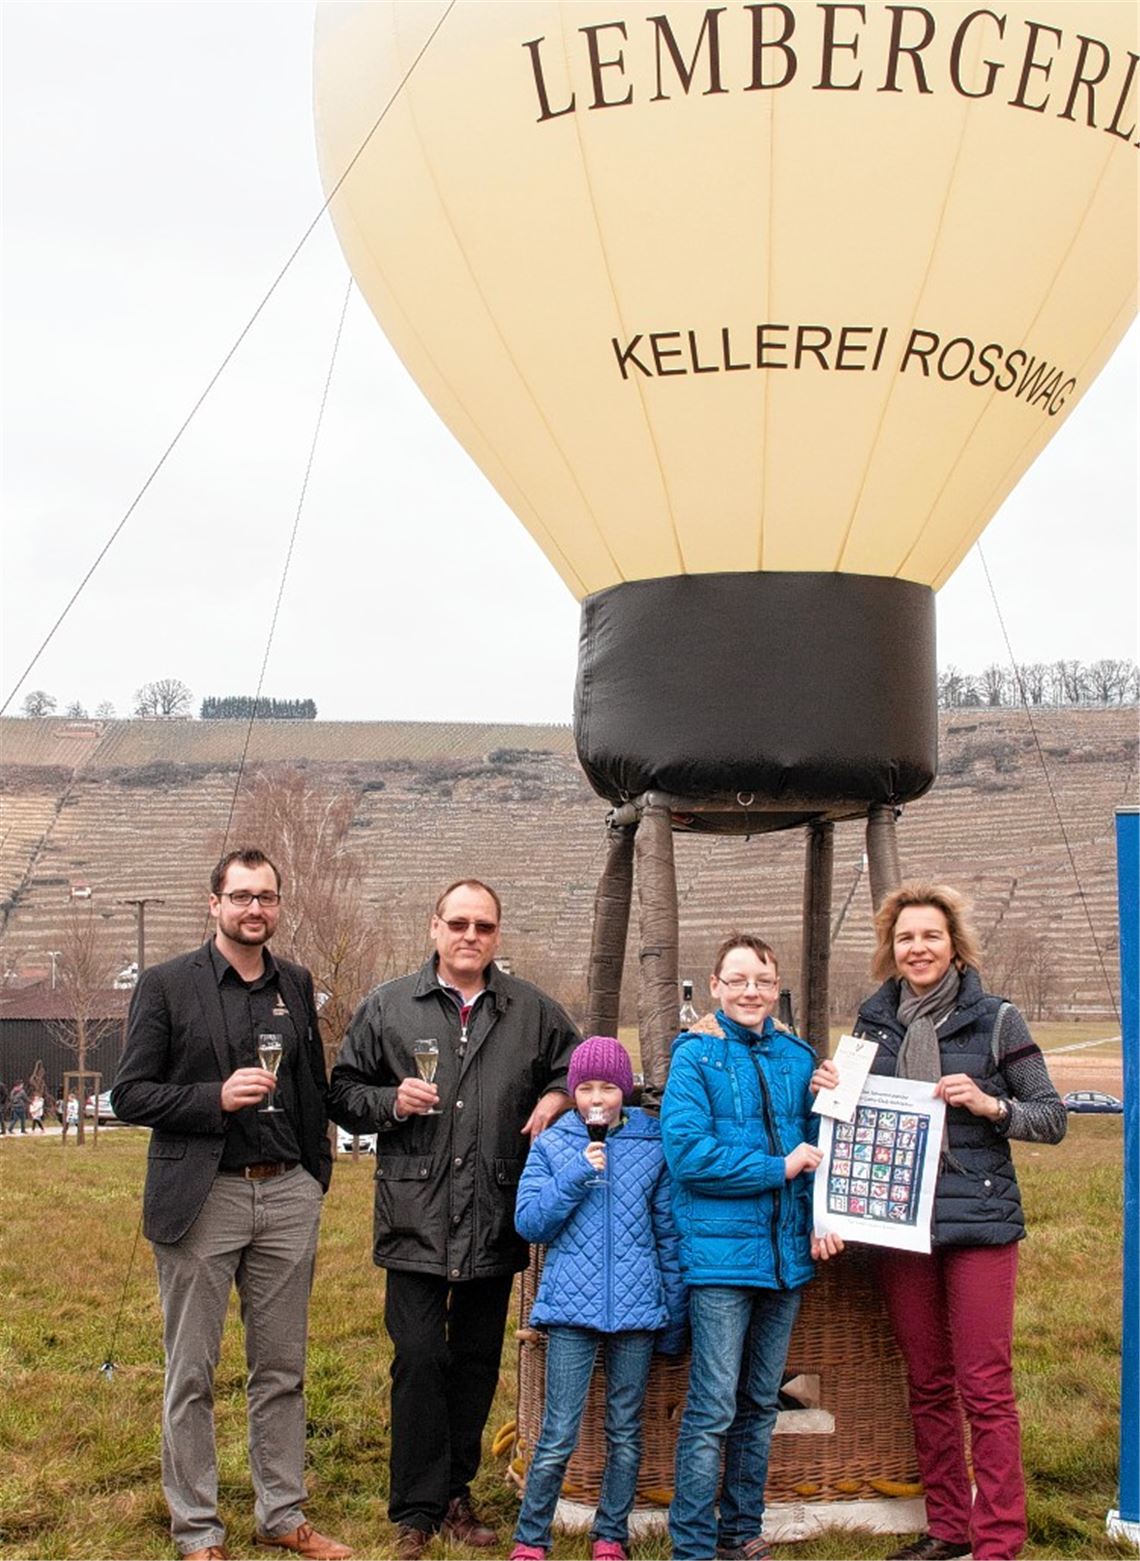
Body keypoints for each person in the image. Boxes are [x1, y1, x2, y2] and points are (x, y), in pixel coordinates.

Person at [813, 881, 1067, 1561]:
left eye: (930, 935)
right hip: (901, 1228)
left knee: (985, 1387)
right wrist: (829, 1093)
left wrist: (991, 1106)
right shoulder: (873, 1026)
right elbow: (847, 1127)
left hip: (979, 1224)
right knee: (928, 1384)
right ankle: (950, 1527)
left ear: (955, 944)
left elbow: (1052, 1117)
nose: (917, 947)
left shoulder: (998, 1020)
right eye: (905, 938)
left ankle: (999, 1541)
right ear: (890, 950)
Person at [328, 878, 580, 1561]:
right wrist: (390, 1101)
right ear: (434, 926)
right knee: (418, 1356)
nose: (471, 935)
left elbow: (580, 1067)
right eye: (459, 922)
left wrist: (558, 1096)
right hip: (414, 1213)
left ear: (497, 935)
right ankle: (415, 1508)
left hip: (494, 1212)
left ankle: (453, 1494)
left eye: (484, 926)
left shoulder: (531, 1009)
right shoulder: (387, 1006)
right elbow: (342, 1093)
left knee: (474, 1361)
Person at [111, 848, 349, 1561]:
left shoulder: (295, 983)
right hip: (203, 1195)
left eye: (266, 897)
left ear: (278, 906)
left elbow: (312, 1086)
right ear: (213, 903)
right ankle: (197, 1529)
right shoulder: (165, 985)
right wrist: (213, 1096)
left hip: (286, 1194)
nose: (255, 909)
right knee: (192, 1373)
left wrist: (314, 1174)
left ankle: (282, 1514)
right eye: (241, 896)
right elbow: (130, 1094)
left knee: (281, 1369)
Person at [661, 933, 835, 1561]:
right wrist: (776, 1168)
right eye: (736, 980)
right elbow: (688, 1156)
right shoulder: (694, 1057)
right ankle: (692, 1544)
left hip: (785, 1259)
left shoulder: (798, 1057)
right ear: (715, 986)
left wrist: (822, 1214)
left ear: (775, 986)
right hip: (720, 1261)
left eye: (761, 980)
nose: (750, 991)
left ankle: (740, 1531)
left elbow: (823, 1147)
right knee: (712, 1406)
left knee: (760, 1403)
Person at [509, 1035, 687, 1561]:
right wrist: (577, 1173)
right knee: (558, 1432)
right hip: (570, 1309)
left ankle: (611, 1534)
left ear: (624, 1091)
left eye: (608, 1087)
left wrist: (673, 1315)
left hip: (637, 1310)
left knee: (625, 1431)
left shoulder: (652, 1145)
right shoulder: (553, 1145)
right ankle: (531, 1537)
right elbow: (530, 1222)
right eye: (585, 1088)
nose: (596, 1098)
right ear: (573, 1093)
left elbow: (667, 1236)